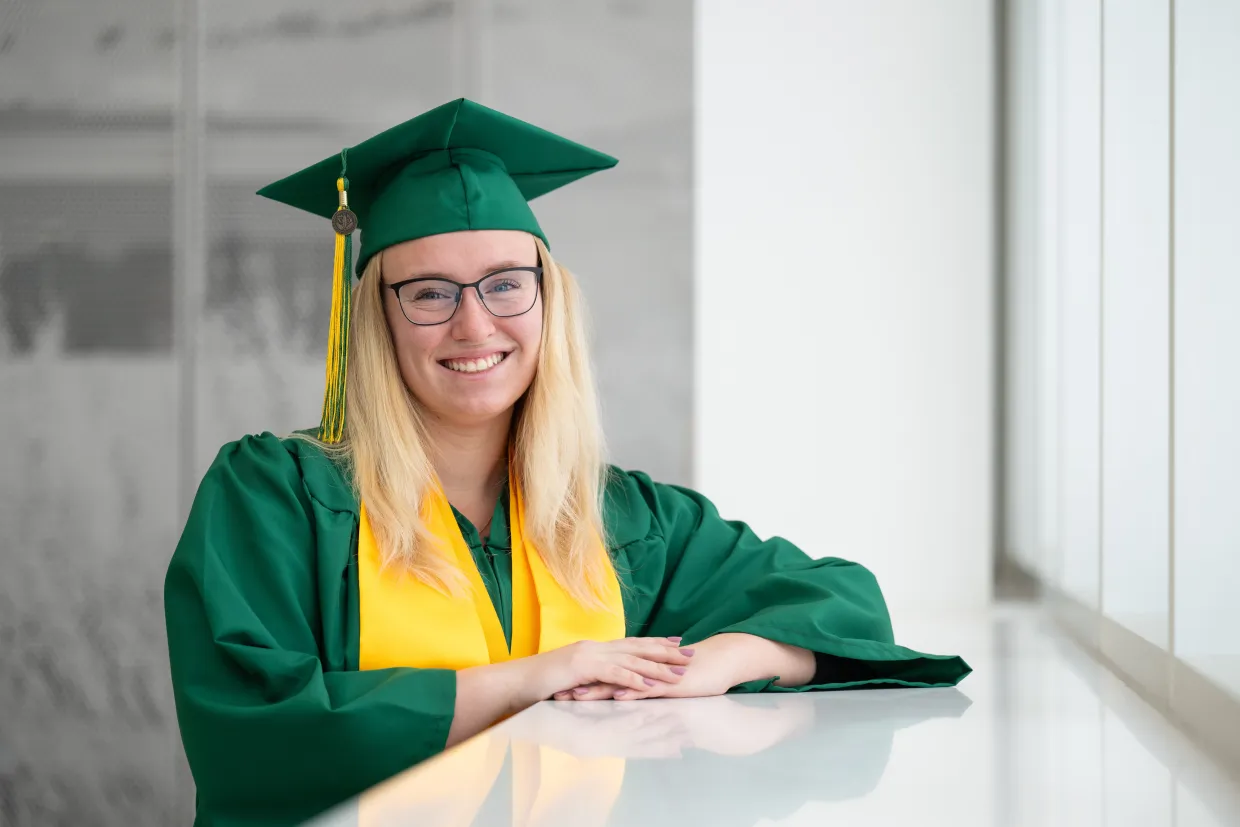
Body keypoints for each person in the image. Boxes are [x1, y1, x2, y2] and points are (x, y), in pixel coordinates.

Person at [164, 98, 971, 827]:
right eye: (431, 292)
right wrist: (532, 678)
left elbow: (841, 604)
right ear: (377, 318)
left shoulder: (620, 520)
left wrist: (715, 663)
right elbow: (250, 726)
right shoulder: (277, 498)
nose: (474, 325)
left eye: (505, 285)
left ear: (549, 302)